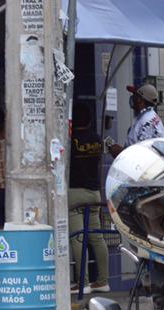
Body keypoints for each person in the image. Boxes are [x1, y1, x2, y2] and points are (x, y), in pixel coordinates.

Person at [69, 102, 109, 293]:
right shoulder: (97, 139)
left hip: (75, 193)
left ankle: (83, 283)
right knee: (97, 238)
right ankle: (103, 281)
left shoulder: (70, 139)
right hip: (94, 193)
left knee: (78, 238)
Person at [107, 83, 164, 156]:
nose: (132, 98)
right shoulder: (149, 117)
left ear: (140, 100)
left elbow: (141, 156)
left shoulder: (147, 123)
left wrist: (120, 152)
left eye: (135, 96)